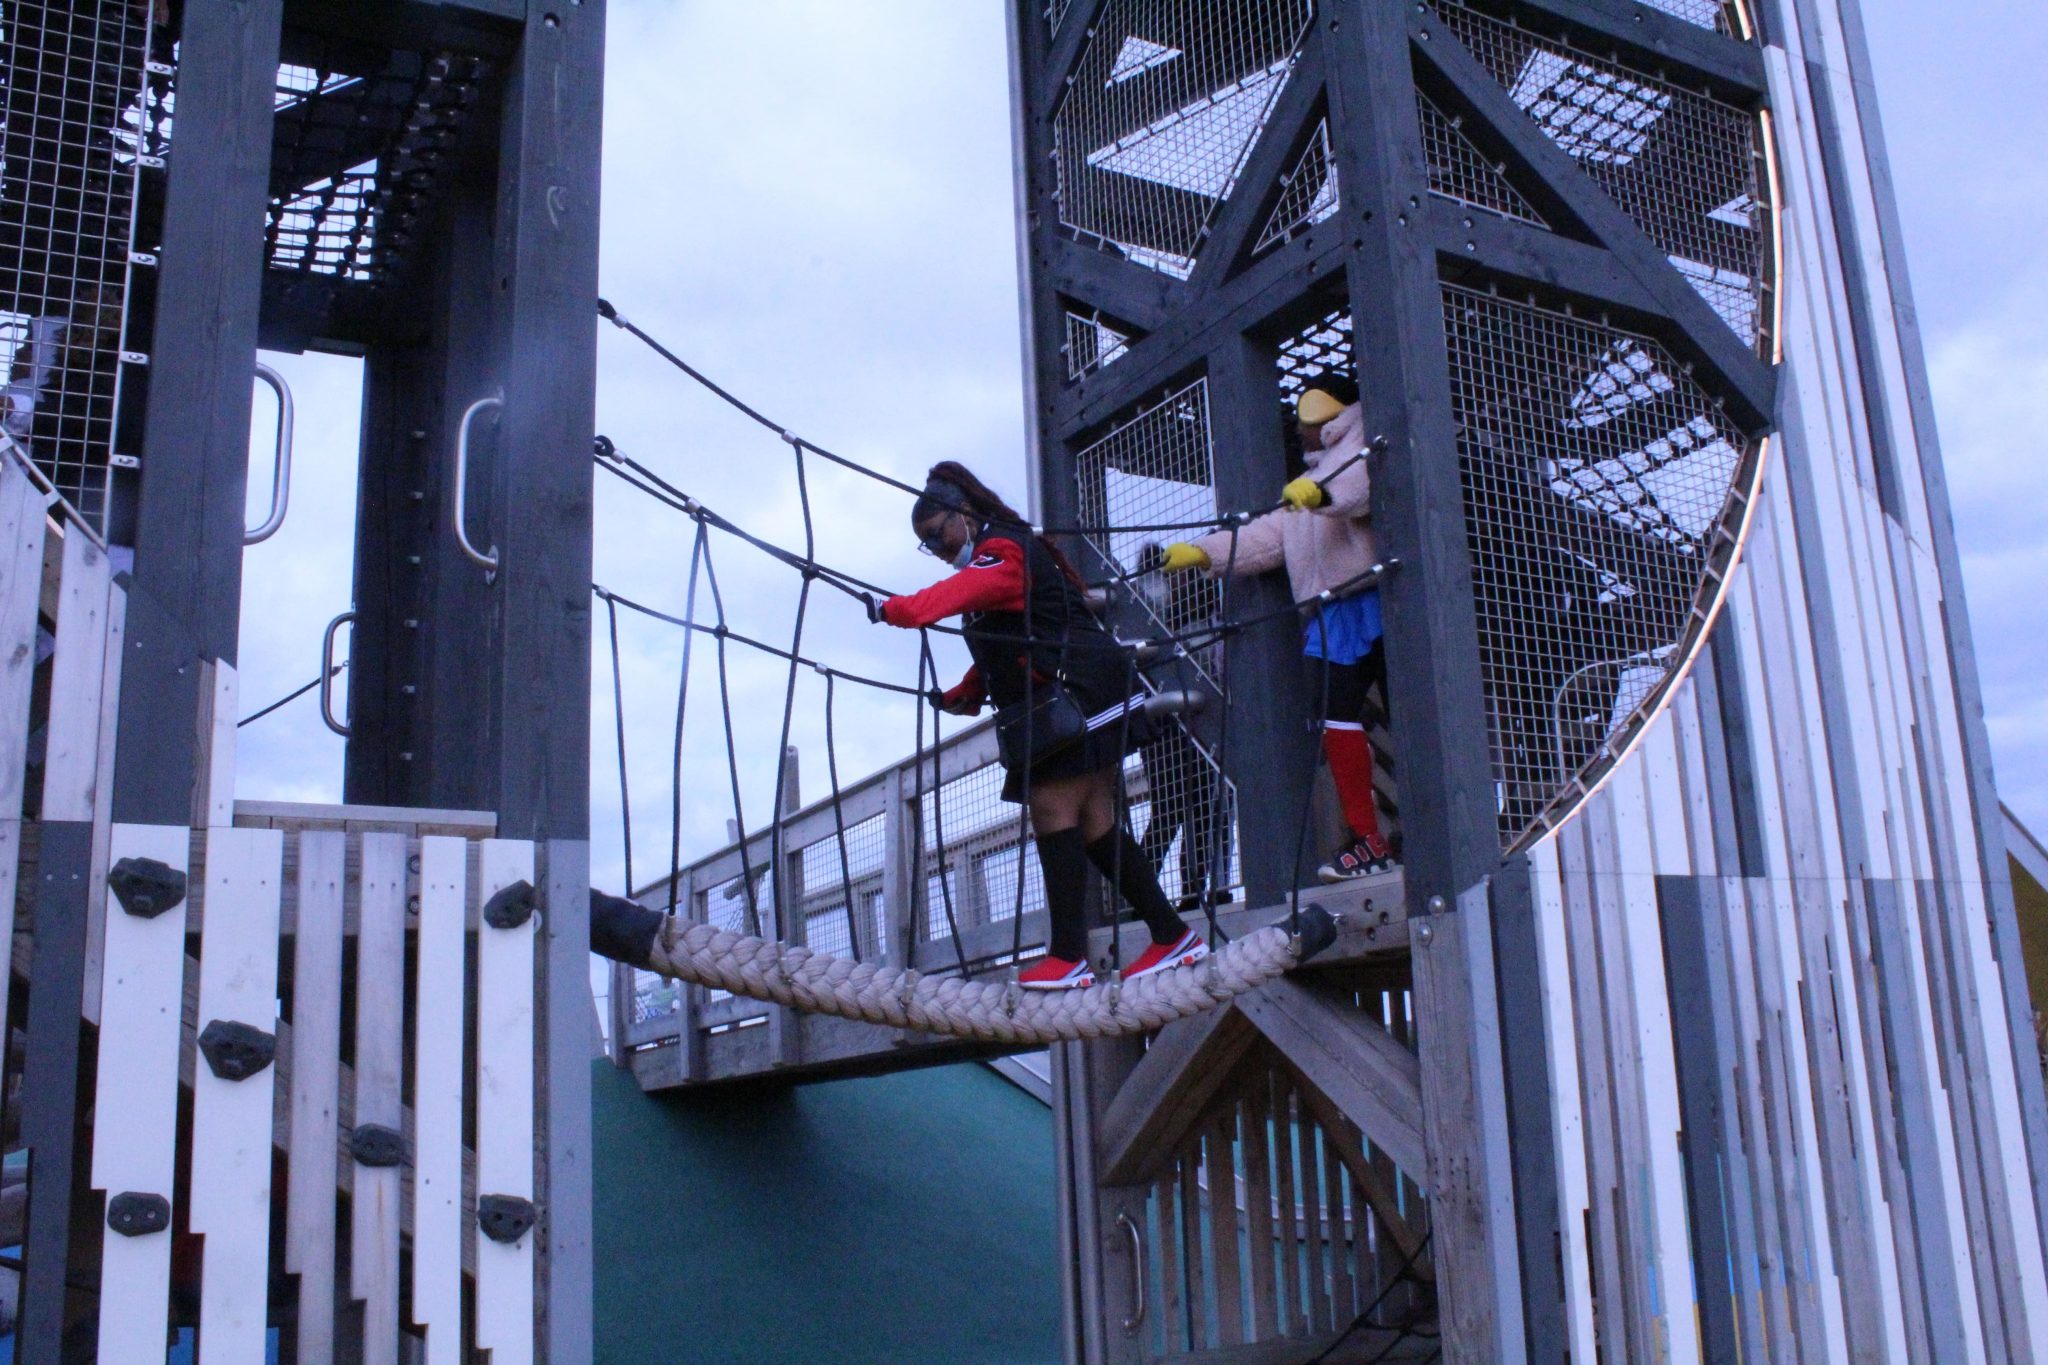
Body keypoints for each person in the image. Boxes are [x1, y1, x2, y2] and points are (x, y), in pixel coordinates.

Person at [869, 461, 1207, 990]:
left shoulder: (1003, 552)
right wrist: (966, 693)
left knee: (1052, 806)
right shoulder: (1002, 555)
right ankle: (1170, 934)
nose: (937, 549)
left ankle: (1070, 955)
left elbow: (943, 602)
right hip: (1079, 692)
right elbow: (1011, 642)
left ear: (963, 515)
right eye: (926, 544)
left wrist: (893, 609)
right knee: (1094, 821)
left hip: (1078, 695)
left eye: (937, 536)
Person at [1160, 374, 1397, 882]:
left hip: (1378, 597)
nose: (1297, 429)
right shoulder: (1307, 477)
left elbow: (1358, 488)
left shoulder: (1358, 441)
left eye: (1303, 418)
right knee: (1335, 719)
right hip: (1332, 612)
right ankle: (1369, 839)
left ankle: (1418, 829)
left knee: (1404, 713)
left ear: (1322, 412)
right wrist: (1204, 552)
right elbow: (1266, 538)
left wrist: (1320, 494)